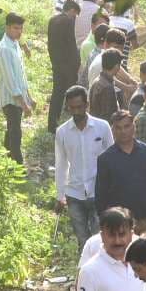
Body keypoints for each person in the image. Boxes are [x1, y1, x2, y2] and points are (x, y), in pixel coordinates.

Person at [54, 86, 114, 246]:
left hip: (98, 191)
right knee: (83, 241)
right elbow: (61, 164)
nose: (76, 112)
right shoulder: (62, 132)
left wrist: (113, 189)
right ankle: (84, 270)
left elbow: (112, 159)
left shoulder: (102, 127)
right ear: (68, 107)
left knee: (99, 240)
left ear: (87, 105)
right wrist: (60, 196)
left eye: (79, 107)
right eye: (72, 108)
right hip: (74, 193)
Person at [95, 109, 146, 239]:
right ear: (113, 130)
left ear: (134, 127)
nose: (123, 131)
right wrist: (104, 221)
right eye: (118, 128)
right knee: (121, 258)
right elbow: (101, 193)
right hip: (120, 223)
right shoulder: (105, 159)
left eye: (127, 126)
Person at [0, 12, 35, 165]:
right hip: (11, 100)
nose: (19, 32)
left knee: (11, 131)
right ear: (7, 28)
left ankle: (7, 163)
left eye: (21, 29)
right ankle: (18, 167)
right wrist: (24, 104)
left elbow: (21, 76)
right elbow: (11, 81)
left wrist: (29, 97)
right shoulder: (4, 48)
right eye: (15, 28)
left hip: (18, 98)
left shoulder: (14, 44)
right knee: (15, 134)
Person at [47, 0, 83, 133]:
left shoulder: (53, 20)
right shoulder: (68, 21)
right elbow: (71, 45)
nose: (75, 17)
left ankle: (52, 124)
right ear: (72, 10)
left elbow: (50, 44)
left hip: (56, 64)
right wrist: (77, 63)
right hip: (68, 66)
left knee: (56, 94)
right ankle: (72, 124)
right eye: (75, 14)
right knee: (72, 95)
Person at [88, 49, 136, 123]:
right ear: (116, 66)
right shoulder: (107, 87)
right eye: (120, 65)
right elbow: (110, 116)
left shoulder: (97, 81)